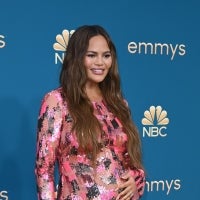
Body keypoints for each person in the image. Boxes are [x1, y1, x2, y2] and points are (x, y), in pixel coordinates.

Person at [35, 25, 145, 200]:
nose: (100, 62)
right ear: (77, 58)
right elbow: (44, 169)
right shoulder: (57, 101)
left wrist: (136, 180)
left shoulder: (118, 103)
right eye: (91, 55)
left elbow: (131, 161)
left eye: (106, 55)